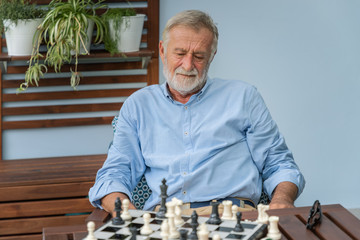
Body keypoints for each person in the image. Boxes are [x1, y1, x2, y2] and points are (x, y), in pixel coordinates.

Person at [89, 10, 305, 215]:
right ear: (163, 50)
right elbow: (115, 174)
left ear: (212, 56)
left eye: (199, 56)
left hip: (233, 215)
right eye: (180, 53)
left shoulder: (244, 97)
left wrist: (282, 201)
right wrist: (128, 215)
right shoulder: (138, 105)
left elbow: (279, 163)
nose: (188, 64)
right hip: (165, 221)